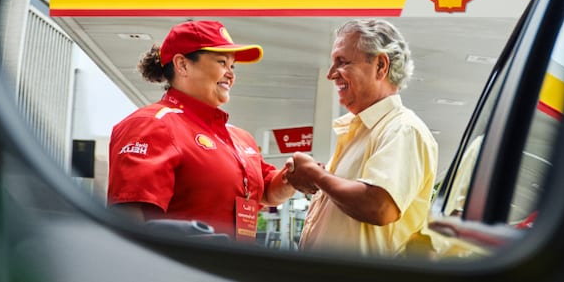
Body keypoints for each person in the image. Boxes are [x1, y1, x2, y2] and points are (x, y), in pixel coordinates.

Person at [106, 20, 294, 242]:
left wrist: (294, 177)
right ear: (182, 65)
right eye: (222, 62)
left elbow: (266, 191)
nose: (230, 74)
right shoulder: (152, 124)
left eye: (232, 66)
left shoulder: (240, 138)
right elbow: (129, 220)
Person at [286, 18, 438, 257]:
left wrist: (317, 175)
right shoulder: (363, 131)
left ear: (380, 66)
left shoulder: (403, 129)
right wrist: (314, 178)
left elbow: (379, 206)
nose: (330, 74)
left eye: (342, 62)